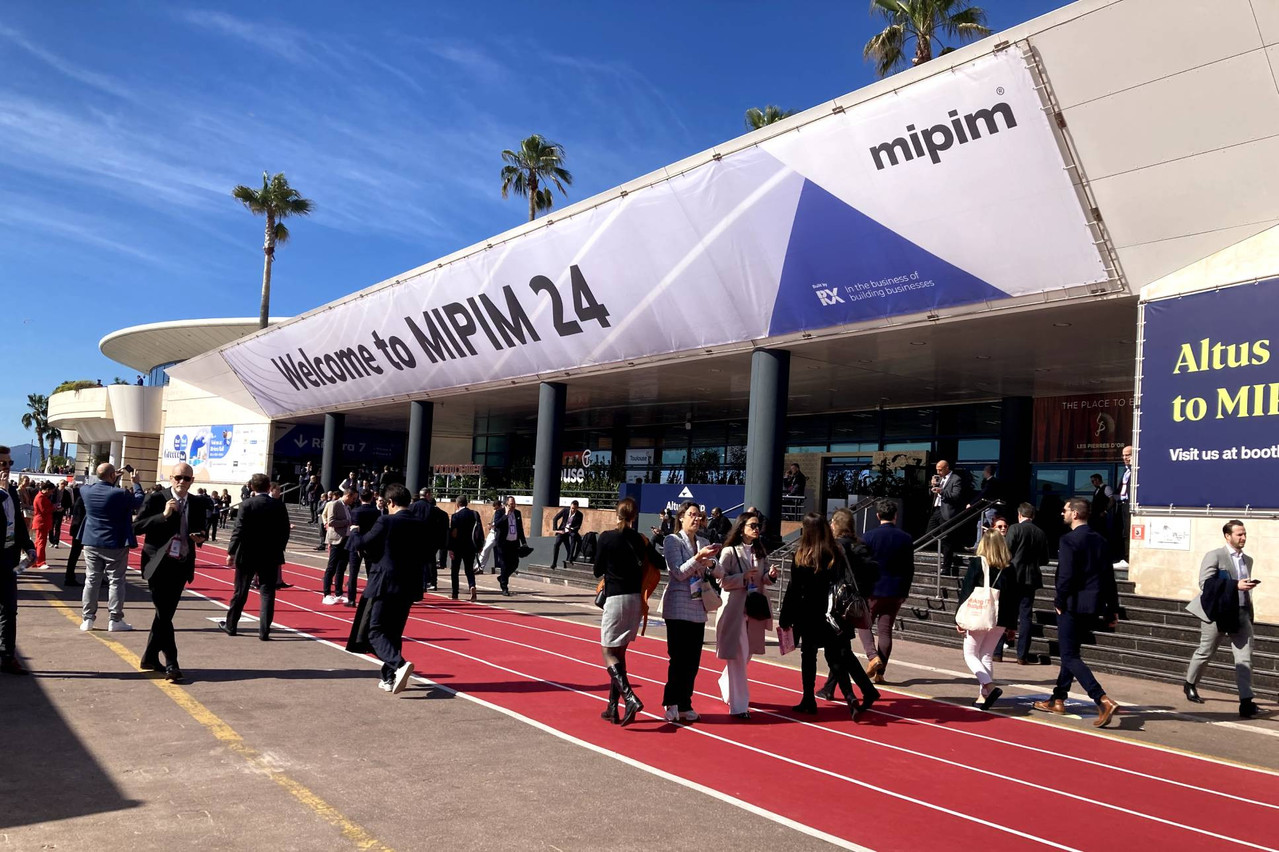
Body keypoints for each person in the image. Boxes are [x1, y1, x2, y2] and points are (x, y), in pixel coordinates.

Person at [781, 512, 880, 719]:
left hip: (807, 612)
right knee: (835, 656)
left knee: (808, 657)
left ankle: (808, 698)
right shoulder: (834, 552)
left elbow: (793, 589)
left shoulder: (801, 555)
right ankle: (850, 695)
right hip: (831, 613)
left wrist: (785, 616)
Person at [1032, 498, 1121, 727]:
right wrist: (1112, 608)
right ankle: (1058, 698)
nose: (1062, 513)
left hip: (1071, 604)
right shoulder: (1100, 540)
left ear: (1075, 514)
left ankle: (1101, 699)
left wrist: (1059, 599)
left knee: (1070, 655)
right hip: (1092, 605)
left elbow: (1066, 575)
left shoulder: (1070, 540)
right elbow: (1108, 578)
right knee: (1070, 652)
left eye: (1065, 510)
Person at [134, 463, 209, 683]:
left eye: (186, 478)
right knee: (164, 614)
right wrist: (164, 516)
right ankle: (172, 664)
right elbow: (136, 527)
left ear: (192, 481)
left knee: (164, 614)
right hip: (158, 564)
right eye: (178, 477)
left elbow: (201, 528)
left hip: (182, 563)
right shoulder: (157, 499)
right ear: (170, 478)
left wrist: (201, 537)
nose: (182, 482)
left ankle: (149, 657)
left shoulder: (196, 502)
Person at [1183, 520, 1263, 718]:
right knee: (1205, 651)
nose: (1243, 538)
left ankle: (1246, 702)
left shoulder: (1248, 560)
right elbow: (1205, 583)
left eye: (1244, 534)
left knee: (1244, 658)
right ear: (1228, 536)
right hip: (1217, 613)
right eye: (1239, 535)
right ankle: (1190, 683)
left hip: (1241, 613)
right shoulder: (1215, 555)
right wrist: (1235, 585)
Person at [356, 484, 426, 694]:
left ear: (390, 503)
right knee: (394, 632)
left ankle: (399, 664)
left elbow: (364, 543)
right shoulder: (420, 524)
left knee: (374, 631)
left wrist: (354, 533)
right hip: (408, 584)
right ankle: (388, 678)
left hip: (385, 583)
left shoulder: (386, 520)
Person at [712, 509, 779, 719]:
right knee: (739, 656)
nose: (757, 529)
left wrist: (770, 576)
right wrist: (742, 577)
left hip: (755, 609)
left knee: (747, 653)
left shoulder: (760, 551)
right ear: (742, 528)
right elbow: (720, 580)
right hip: (734, 609)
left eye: (758, 526)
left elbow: (763, 580)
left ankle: (725, 682)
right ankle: (740, 706)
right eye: (753, 525)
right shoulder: (730, 551)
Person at [660, 501, 717, 722]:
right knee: (678, 659)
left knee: (693, 660)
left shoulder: (703, 541)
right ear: (681, 517)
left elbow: (712, 570)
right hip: (678, 607)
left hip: (697, 606)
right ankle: (671, 702)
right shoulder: (672, 541)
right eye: (691, 515)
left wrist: (711, 562)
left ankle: (685, 703)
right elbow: (678, 572)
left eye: (699, 515)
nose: (696, 519)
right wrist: (698, 558)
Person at [817, 507, 881, 701]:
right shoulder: (860, 546)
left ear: (836, 525)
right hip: (854, 603)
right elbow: (873, 572)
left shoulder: (836, 547)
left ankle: (866, 690)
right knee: (841, 647)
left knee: (839, 650)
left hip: (837, 604)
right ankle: (830, 688)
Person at [594, 497, 648, 725]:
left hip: (615, 598)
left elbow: (597, 569)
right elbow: (657, 563)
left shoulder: (607, 537)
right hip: (635, 599)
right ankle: (612, 708)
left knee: (608, 653)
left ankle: (630, 697)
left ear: (617, 514)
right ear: (635, 516)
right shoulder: (641, 540)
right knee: (620, 654)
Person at [220, 473, 290, 640]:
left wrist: (231, 552)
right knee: (267, 593)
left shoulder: (247, 504)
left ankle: (231, 625)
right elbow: (285, 530)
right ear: (268, 487)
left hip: (247, 553)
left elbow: (239, 530)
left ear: (252, 487)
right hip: (271, 554)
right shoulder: (278, 505)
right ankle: (264, 631)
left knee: (241, 591)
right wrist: (279, 548)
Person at [78, 463, 146, 632]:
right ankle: (115, 619)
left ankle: (88, 619)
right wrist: (136, 482)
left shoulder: (85, 490)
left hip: (91, 541)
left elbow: (102, 489)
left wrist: (111, 478)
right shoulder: (120, 493)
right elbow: (139, 501)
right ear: (111, 476)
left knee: (91, 580)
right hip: (115, 542)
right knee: (116, 581)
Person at [957, 529, 1019, 709]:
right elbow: (1014, 597)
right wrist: (1011, 624)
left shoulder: (977, 563)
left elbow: (967, 591)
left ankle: (989, 686)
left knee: (970, 653)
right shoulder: (1009, 567)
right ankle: (983, 696)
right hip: (1000, 616)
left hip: (978, 613)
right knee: (986, 655)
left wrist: (958, 618)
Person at [856, 499, 914, 684]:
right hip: (896, 590)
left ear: (878, 516)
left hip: (873, 590)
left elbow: (862, 565)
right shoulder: (906, 538)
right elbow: (909, 568)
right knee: (886, 630)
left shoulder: (869, 537)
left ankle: (873, 657)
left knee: (864, 624)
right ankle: (880, 672)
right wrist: (904, 591)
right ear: (895, 516)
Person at [0, 446, 37, 675]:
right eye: (2, 463)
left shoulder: (11, 491)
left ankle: (7, 655)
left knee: (9, 610)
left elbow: (18, 525)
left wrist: (29, 547)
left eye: (9, 463)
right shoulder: (5, 491)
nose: (6, 468)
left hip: (8, 559)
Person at [1003, 503, 1048, 665]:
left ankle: (997, 652)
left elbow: (1006, 552)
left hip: (1013, 576)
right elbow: (1045, 559)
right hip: (1031, 578)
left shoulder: (1014, 529)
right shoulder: (1040, 533)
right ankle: (1022, 655)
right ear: (1033, 516)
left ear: (1019, 515)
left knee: (1006, 611)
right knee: (1026, 616)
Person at [923, 460, 967, 576]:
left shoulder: (955, 479)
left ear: (947, 468)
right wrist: (932, 486)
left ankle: (946, 567)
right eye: (937, 469)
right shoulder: (939, 478)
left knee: (947, 540)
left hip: (947, 512)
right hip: (936, 510)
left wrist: (941, 491)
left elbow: (956, 496)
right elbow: (931, 494)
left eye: (940, 469)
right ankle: (944, 551)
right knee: (929, 534)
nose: (938, 472)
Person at [344, 489, 381, 607]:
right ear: (371, 498)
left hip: (356, 544)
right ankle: (371, 597)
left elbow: (354, 527)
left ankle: (351, 599)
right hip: (370, 543)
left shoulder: (355, 511)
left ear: (360, 498)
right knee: (371, 573)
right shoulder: (376, 512)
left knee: (353, 573)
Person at [321, 489, 357, 604]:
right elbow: (331, 521)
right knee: (331, 567)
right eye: (353, 498)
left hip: (346, 539)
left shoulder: (348, 507)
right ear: (347, 495)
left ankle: (339, 592)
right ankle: (326, 593)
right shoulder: (334, 504)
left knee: (341, 567)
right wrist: (347, 522)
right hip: (336, 539)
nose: (353, 500)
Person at [447, 495, 481, 601]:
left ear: (457, 504)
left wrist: (450, 547)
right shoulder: (474, 514)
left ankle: (455, 593)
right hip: (470, 546)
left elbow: (454, 533)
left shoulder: (455, 516)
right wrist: (479, 545)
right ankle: (472, 585)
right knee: (469, 569)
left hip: (458, 546)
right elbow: (478, 531)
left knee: (455, 570)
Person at [492, 496, 526, 596]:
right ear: (506, 504)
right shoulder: (500, 512)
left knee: (515, 563)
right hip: (503, 543)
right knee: (504, 564)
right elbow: (497, 525)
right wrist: (505, 515)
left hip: (514, 543)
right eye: (511, 504)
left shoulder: (517, 513)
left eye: (514, 504)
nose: (513, 506)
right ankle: (504, 587)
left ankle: (502, 577)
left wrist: (523, 542)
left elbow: (520, 529)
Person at [62, 483, 86, 586]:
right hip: (80, 530)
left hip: (77, 529)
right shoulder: (83, 502)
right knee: (75, 554)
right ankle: (69, 576)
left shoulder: (80, 500)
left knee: (75, 554)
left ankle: (69, 576)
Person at [549, 500, 584, 569]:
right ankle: (554, 563)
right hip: (563, 530)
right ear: (570, 506)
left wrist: (572, 528)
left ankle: (570, 558)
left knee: (574, 538)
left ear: (577, 508)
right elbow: (555, 518)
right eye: (572, 508)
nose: (573, 510)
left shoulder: (580, 515)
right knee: (557, 544)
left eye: (574, 509)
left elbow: (578, 526)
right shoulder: (565, 510)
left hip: (572, 531)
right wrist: (556, 530)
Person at [1114, 445, 1133, 567]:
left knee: (1128, 531)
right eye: (1123, 455)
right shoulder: (1126, 471)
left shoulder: (1135, 470)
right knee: (1122, 531)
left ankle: (1128, 559)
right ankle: (1124, 557)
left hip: (1130, 504)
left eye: (1128, 455)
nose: (1125, 457)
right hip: (1122, 504)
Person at [30, 480, 55, 567]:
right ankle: (40, 562)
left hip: (42, 521)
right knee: (41, 542)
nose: (51, 493)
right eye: (51, 491)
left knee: (39, 542)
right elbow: (43, 510)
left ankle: (35, 560)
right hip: (41, 522)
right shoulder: (40, 497)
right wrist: (53, 508)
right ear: (47, 489)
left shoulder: (41, 497)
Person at [51, 480, 71, 548]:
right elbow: (50, 499)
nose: (63, 485)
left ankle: (56, 542)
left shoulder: (67, 493)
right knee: (51, 527)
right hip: (52, 511)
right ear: (58, 484)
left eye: (64, 484)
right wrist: (53, 506)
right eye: (62, 484)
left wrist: (63, 508)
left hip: (60, 511)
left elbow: (69, 503)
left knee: (57, 527)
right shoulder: (53, 491)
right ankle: (52, 541)